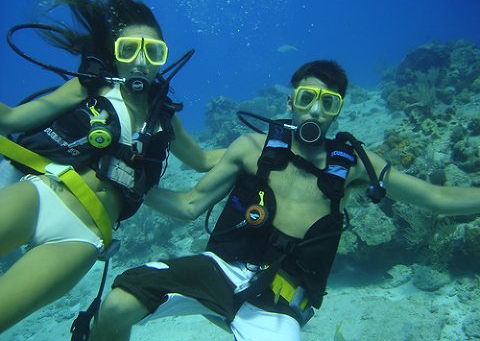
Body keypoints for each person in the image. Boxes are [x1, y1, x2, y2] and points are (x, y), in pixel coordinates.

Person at [89, 59, 480, 341]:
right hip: (221, 269)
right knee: (117, 306)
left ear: (338, 112)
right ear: (291, 102)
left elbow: (436, 198)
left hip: (283, 294)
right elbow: (190, 205)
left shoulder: (356, 165)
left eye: (329, 103)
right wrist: (135, 186)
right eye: (308, 97)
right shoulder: (249, 147)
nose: (316, 109)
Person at [0, 0, 223, 333]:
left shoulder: (163, 117)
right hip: (40, 194)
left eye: (153, 53)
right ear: (115, 52)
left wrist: (266, 144)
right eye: (129, 48)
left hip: (82, 238)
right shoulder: (91, 85)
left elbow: (203, 160)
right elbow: (11, 119)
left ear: (162, 59)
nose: (140, 61)